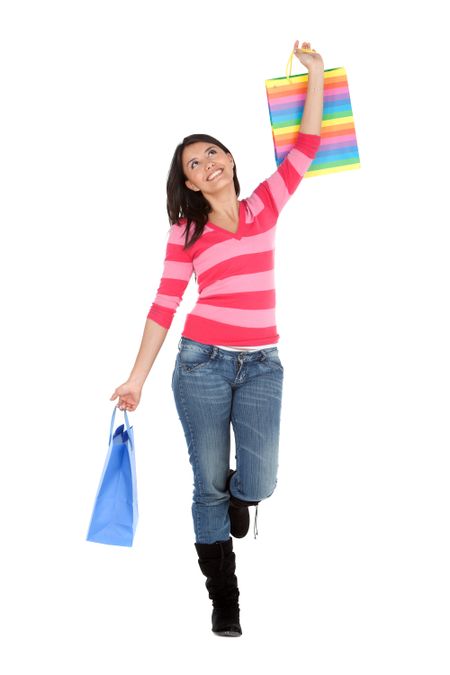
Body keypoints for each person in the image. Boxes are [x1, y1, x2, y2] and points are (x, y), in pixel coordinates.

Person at [110, 40, 324, 637]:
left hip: (262, 365)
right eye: (194, 166)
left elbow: (306, 145)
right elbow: (164, 303)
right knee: (205, 482)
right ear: (188, 184)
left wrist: (313, 75)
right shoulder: (187, 231)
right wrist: (137, 378)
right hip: (200, 365)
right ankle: (223, 598)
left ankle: (241, 497)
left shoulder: (265, 206)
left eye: (212, 154)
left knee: (262, 481)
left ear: (229, 156)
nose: (208, 166)